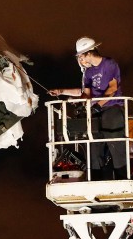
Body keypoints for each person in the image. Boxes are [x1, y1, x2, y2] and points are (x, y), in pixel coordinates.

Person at [49, 37, 126, 178]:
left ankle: (122, 175)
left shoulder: (109, 64)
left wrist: (98, 105)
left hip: (112, 107)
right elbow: (86, 94)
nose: (79, 60)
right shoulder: (88, 73)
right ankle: (97, 177)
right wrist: (64, 94)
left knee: (113, 139)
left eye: (81, 56)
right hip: (96, 109)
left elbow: (112, 88)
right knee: (93, 142)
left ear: (89, 53)